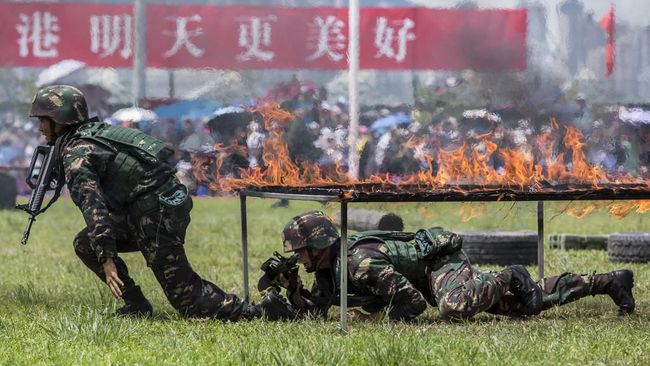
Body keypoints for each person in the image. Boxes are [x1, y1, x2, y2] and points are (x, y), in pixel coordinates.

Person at [29, 85, 293, 321]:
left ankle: (262, 311)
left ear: (60, 120)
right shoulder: (95, 134)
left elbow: (93, 206)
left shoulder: (77, 152)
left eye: (44, 120)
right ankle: (136, 304)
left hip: (155, 214)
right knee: (85, 243)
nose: (40, 128)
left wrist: (107, 257)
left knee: (188, 300)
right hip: (151, 207)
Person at [262, 211, 635, 322]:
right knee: (525, 304)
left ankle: (510, 273)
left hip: (438, 265)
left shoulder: (359, 263)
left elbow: (412, 305)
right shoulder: (328, 269)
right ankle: (609, 281)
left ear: (318, 246)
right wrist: (294, 292)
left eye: (300, 252)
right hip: (425, 278)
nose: (297, 258)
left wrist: (372, 315)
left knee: (454, 307)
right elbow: (319, 312)